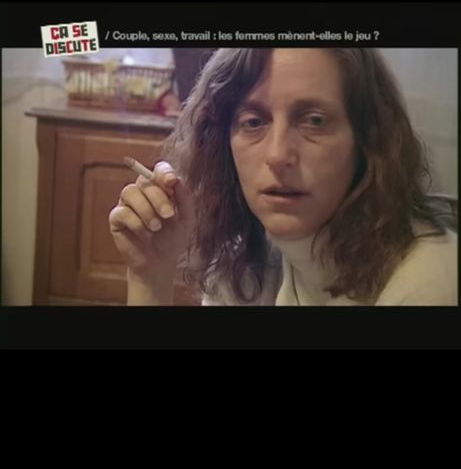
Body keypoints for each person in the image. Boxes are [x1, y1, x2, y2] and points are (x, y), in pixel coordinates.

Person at [109, 48, 458, 306]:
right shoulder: (244, 265)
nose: (277, 155)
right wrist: (149, 278)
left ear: (367, 141)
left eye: (314, 121)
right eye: (253, 122)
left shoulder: (428, 282)